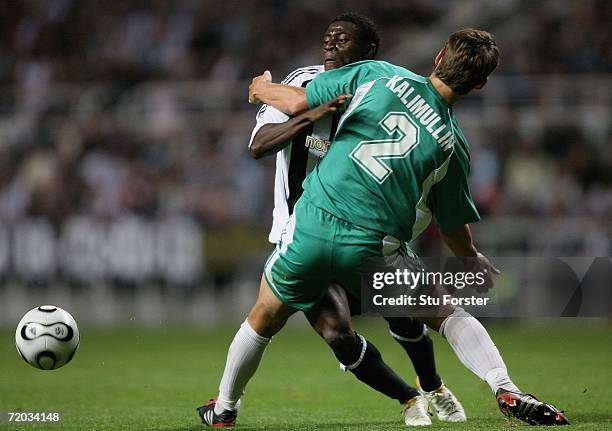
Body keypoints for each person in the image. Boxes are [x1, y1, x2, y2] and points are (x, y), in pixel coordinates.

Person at [203, 28, 569, 427]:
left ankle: (224, 409)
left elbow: (297, 100)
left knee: (262, 319)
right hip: (372, 247)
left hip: (310, 227)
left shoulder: (381, 74)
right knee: (445, 313)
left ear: (439, 56)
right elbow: (452, 228)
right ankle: (504, 387)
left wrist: (261, 87)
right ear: (479, 85)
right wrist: (473, 259)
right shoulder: (452, 146)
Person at [244, 13, 464, 426]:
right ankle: (409, 398)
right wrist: (305, 116)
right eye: (327, 38)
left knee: (402, 310)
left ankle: (433, 384)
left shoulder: (382, 88)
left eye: (342, 39)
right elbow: (258, 145)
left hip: (364, 228)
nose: (330, 45)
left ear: (367, 53)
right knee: (337, 334)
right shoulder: (300, 84)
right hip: (303, 232)